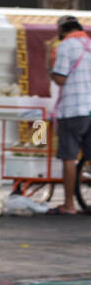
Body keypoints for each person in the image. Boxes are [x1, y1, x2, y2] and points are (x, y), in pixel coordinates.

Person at [49, 15, 91, 214]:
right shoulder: (89, 44)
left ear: (61, 30)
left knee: (69, 157)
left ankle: (69, 204)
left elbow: (60, 79)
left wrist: (51, 71)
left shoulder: (66, 46)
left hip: (73, 109)